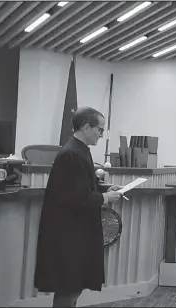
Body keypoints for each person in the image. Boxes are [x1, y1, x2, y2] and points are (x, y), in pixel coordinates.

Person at [34, 107, 125, 307]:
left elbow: (82, 184)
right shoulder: (71, 154)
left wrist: (105, 188)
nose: (101, 135)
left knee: (75, 285)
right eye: (100, 130)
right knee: (69, 286)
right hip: (67, 233)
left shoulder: (79, 150)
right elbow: (74, 197)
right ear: (85, 127)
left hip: (77, 231)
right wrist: (105, 198)